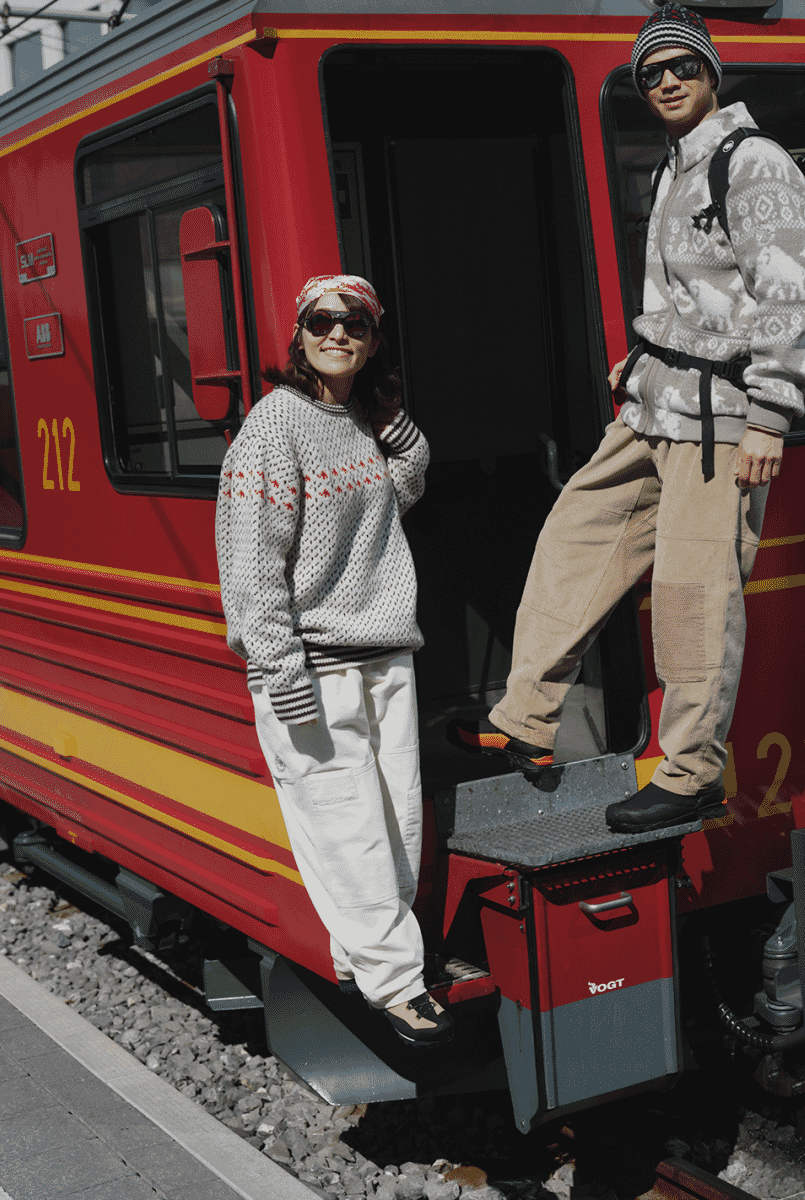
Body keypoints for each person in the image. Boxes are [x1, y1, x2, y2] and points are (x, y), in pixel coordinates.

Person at [451, 3, 805, 834]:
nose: (663, 81)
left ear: (709, 74)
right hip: (652, 406)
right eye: (648, 72)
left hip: (719, 418)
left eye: (679, 67)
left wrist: (768, 414)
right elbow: (691, 298)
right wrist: (643, 357)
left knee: (695, 595)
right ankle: (525, 718)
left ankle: (690, 771)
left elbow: (791, 293)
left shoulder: (751, 162)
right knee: (571, 540)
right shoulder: (672, 165)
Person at [215, 274, 451, 1047]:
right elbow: (251, 567)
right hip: (312, 666)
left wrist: (392, 422)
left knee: (396, 826)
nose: (338, 333)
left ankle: (366, 955)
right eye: (322, 321)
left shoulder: (357, 421)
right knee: (347, 830)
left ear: (374, 338)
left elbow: (401, 494)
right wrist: (279, 672)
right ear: (300, 335)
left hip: (384, 655)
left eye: (355, 323)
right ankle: (397, 985)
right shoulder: (272, 427)